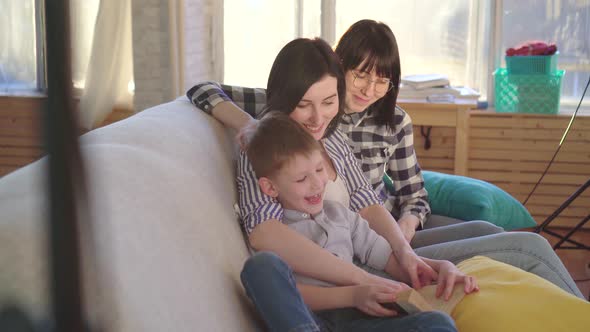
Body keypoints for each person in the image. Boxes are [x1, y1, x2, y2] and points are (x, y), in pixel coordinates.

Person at [186, 20, 583, 300]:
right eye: (304, 105)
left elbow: (367, 202)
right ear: (286, 96)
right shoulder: (264, 144)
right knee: (527, 248)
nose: (318, 117)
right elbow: (264, 233)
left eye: (329, 102)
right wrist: (247, 126)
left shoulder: (335, 135)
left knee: (492, 231)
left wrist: (407, 253)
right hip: (358, 268)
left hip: (377, 253)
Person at [240, 111, 478, 331]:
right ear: (270, 187)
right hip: (310, 321)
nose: (316, 184)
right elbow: (286, 294)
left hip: (360, 322)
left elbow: (391, 260)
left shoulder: (342, 215)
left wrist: (440, 268)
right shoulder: (279, 236)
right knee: (260, 267)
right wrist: (353, 295)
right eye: (302, 178)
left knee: (436, 322)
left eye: (320, 169)